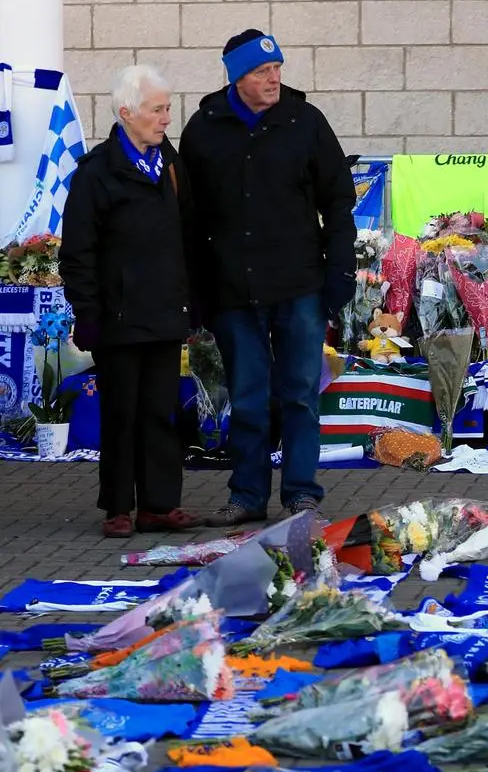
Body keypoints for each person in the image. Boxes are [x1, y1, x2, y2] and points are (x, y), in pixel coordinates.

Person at [180, 30, 356, 525]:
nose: (274, 77)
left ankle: (301, 493)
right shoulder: (203, 130)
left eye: (277, 66)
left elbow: (338, 201)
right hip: (233, 292)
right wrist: (194, 291)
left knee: (299, 394)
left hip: (300, 287)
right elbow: (188, 220)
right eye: (261, 71)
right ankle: (248, 495)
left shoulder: (306, 122)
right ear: (237, 77)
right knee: (250, 400)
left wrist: (340, 271)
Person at [59, 64, 203, 539]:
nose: (166, 118)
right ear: (127, 113)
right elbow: (78, 253)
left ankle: (159, 506)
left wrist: (192, 299)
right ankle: (118, 507)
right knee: (121, 413)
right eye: (157, 110)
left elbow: (188, 237)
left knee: (161, 412)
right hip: (118, 318)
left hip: (164, 313)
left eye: (167, 108)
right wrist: (88, 313)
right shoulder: (96, 174)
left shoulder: (171, 164)